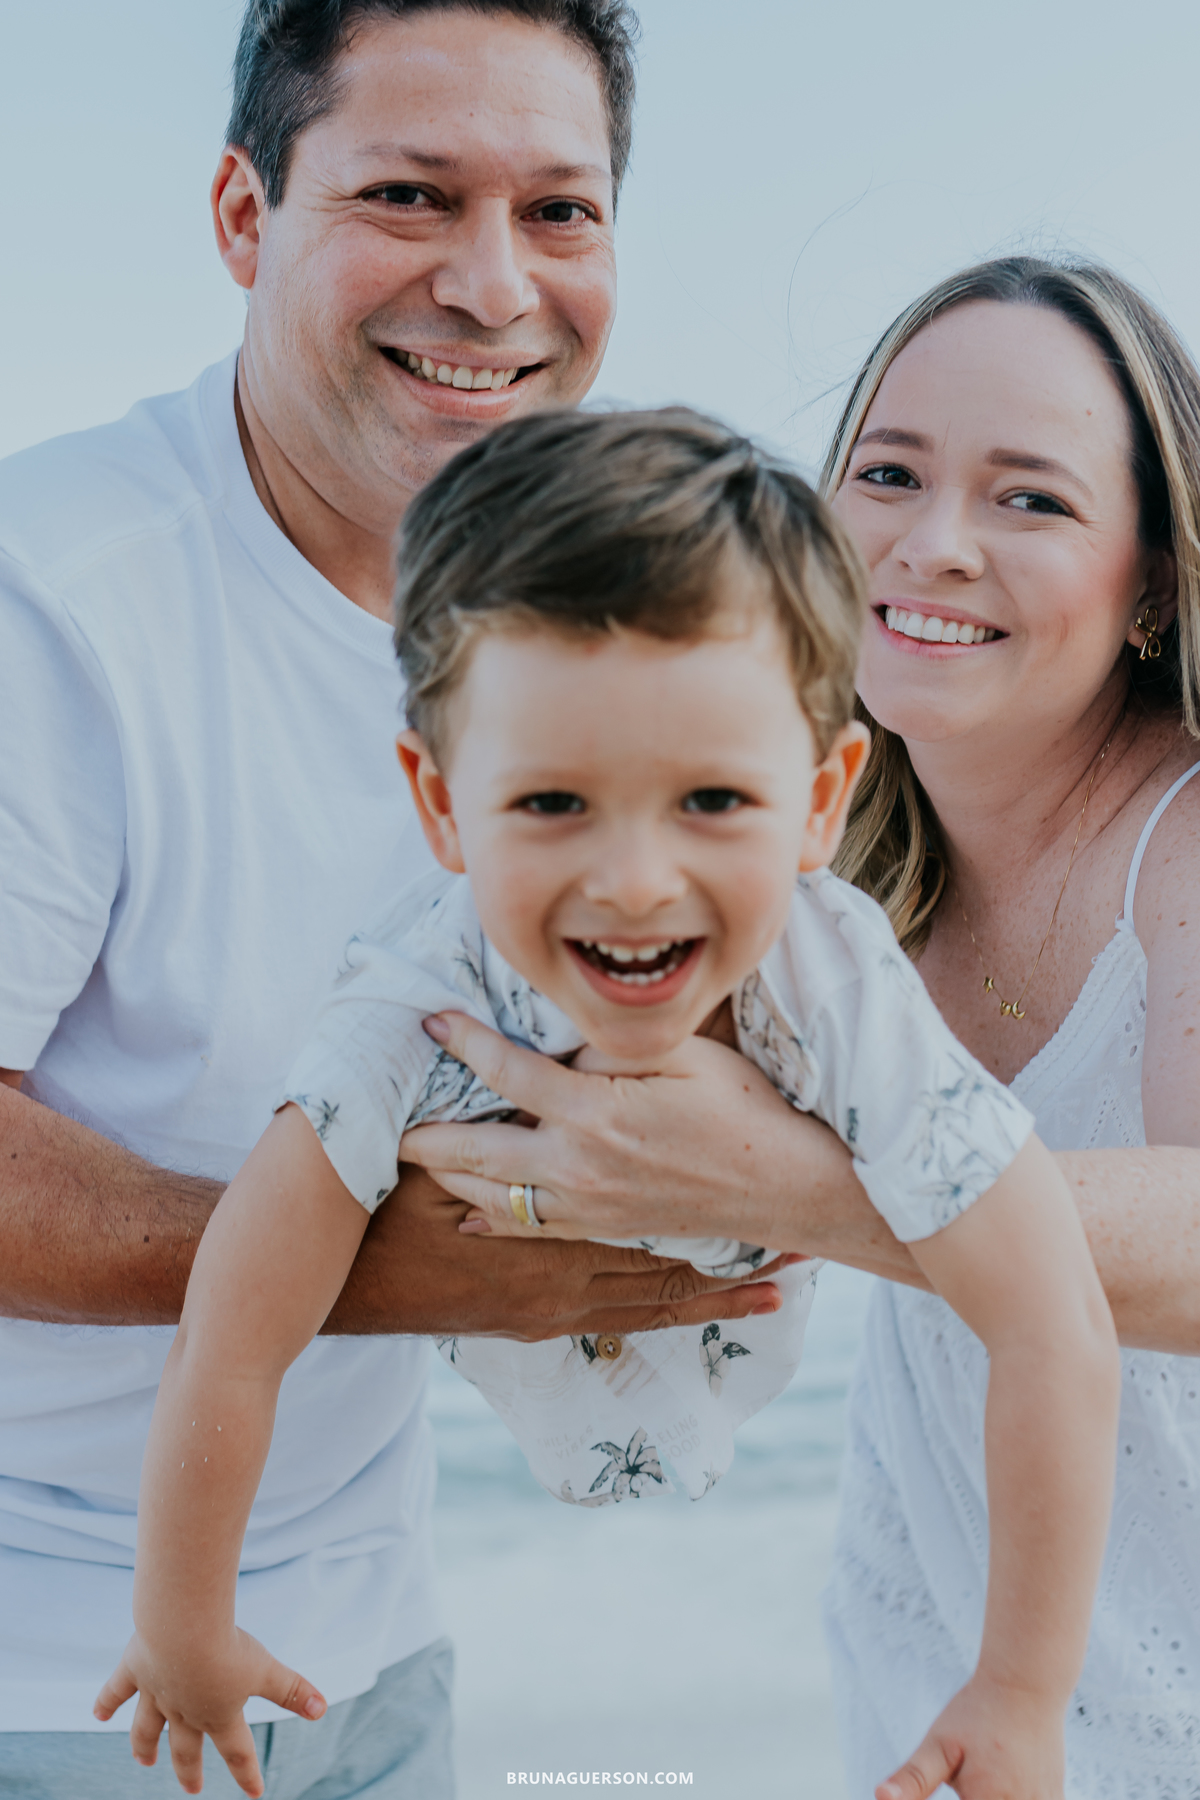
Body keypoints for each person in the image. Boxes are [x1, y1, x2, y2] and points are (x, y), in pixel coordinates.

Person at [97, 408, 1119, 1800]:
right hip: (504, 1396)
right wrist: (182, 1622)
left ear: (821, 804)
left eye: (711, 799)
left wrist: (1019, 1691)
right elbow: (235, 1330)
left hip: (741, 1402)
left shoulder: (833, 978)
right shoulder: (414, 994)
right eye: (554, 804)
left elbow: (1045, 1315)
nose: (635, 881)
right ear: (443, 804)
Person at [0, 4, 790, 1795]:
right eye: (412, 196)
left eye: (562, 212)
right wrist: (378, 1268)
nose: (497, 288)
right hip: (57, 1672)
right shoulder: (50, 596)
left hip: (379, 1637)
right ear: (241, 217)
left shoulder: (555, 622)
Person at [400, 257, 1200, 1799]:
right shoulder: (824, 874)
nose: (933, 543)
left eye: (1029, 499)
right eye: (887, 473)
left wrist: (787, 1188)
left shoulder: (1179, 845)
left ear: (1156, 578)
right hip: (933, 1685)